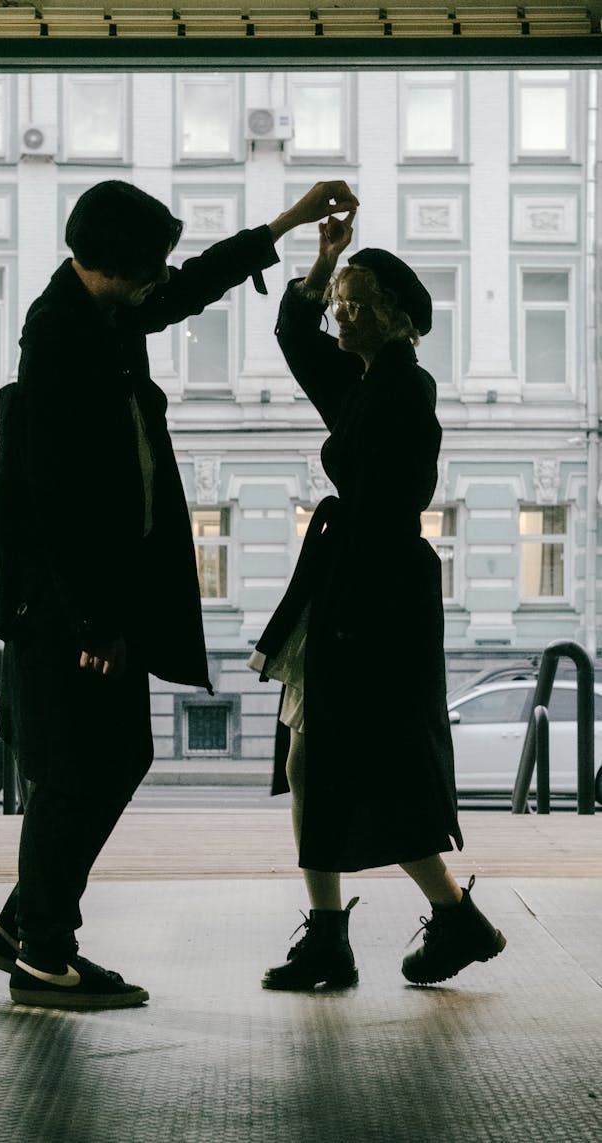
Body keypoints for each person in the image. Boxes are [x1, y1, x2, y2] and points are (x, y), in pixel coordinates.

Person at [0, 178, 359, 1010]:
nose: (159, 278)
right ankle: (43, 952)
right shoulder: (59, 338)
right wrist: (95, 621)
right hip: (70, 612)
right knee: (80, 770)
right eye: (145, 266)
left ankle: (28, 925)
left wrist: (287, 223)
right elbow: (56, 496)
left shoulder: (105, 310)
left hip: (96, 602)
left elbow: (189, 286)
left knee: (105, 758)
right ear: (104, 264)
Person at [249, 203, 506, 991]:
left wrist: (338, 620)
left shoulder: (402, 389)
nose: (340, 313)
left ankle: (387, 926)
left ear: (396, 318)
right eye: (341, 302)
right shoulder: (365, 381)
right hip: (358, 592)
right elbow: (294, 334)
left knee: (351, 762)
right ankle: (371, 927)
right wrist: (326, 256)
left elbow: (389, 505)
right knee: (321, 757)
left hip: (372, 599)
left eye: (356, 303)